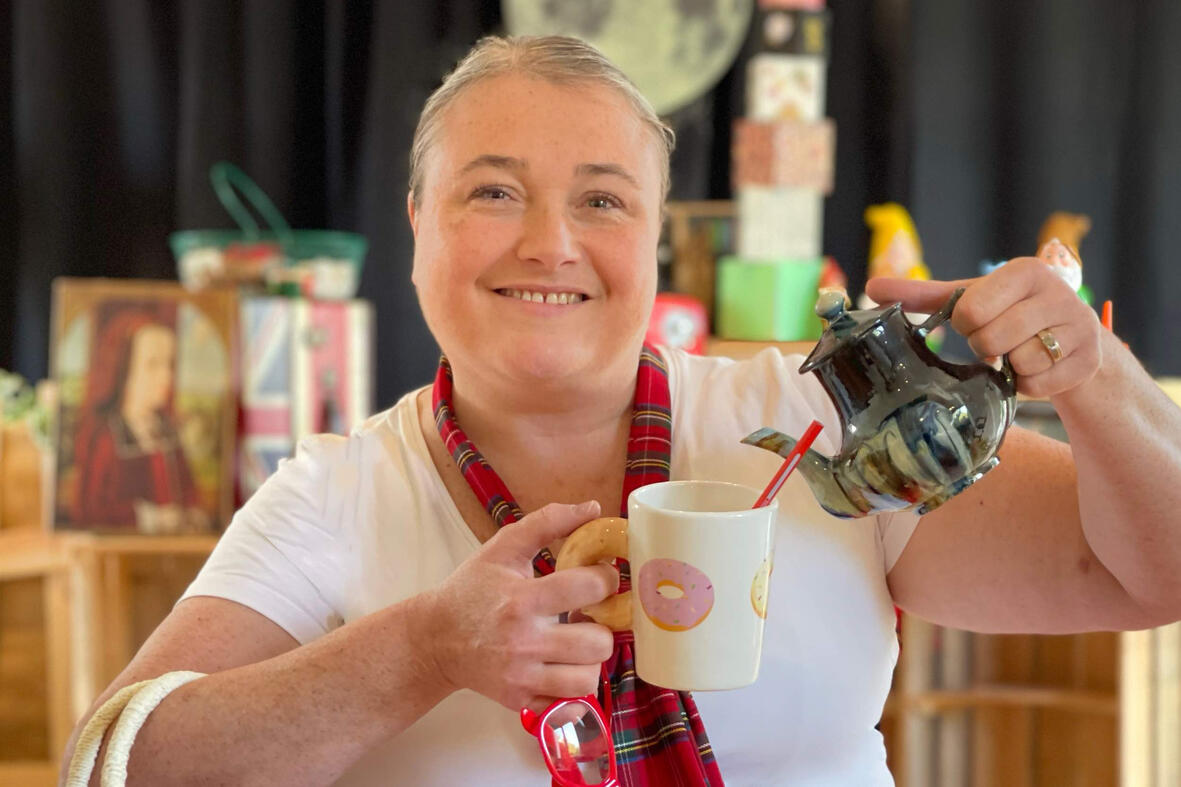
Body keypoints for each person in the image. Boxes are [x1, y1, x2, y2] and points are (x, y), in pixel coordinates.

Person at [60, 35, 1181, 786]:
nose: (548, 242)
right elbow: (113, 761)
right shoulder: (334, 494)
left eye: (600, 199)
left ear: (652, 238)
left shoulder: (814, 415)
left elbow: (1151, 573)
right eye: (492, 190)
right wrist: (422, 649)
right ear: (416, 225)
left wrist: (1092, 378)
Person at [69, 309, 210, 533]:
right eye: (153, 364)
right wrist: (154, 518)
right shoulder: (107, 436)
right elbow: (93, 509)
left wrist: (192, 514)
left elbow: (187, 491)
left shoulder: (165, 430)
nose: (166, 377)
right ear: (124, 369)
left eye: (169, 364)